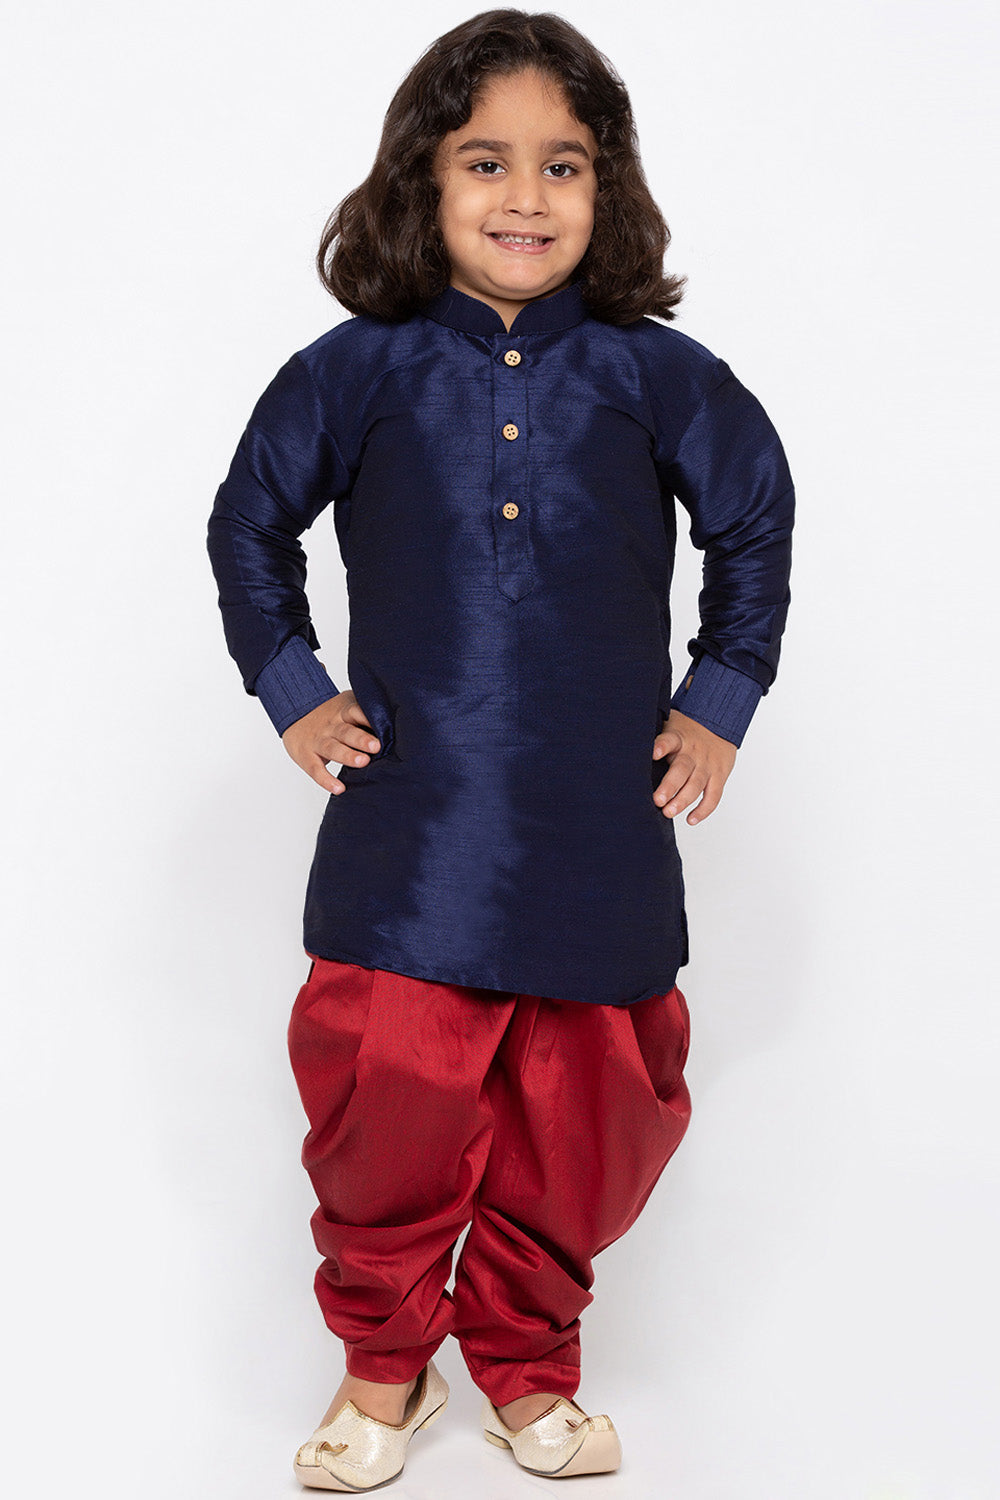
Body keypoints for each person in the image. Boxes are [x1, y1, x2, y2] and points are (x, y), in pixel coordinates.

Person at [206, 9, 795, 1489]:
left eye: (564, 165)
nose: (526, 197)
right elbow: (249, 521)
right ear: (423, 177)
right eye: (487, 162)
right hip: (417, 826)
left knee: (591, 1112)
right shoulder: (358, 369)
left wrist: (721, 694)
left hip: (599, 828)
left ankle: (529, 1369)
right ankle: (384, 1371)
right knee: (387, 1099)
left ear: (609, 188)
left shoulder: (656, 375)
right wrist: (294, 685)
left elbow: (755, 515)